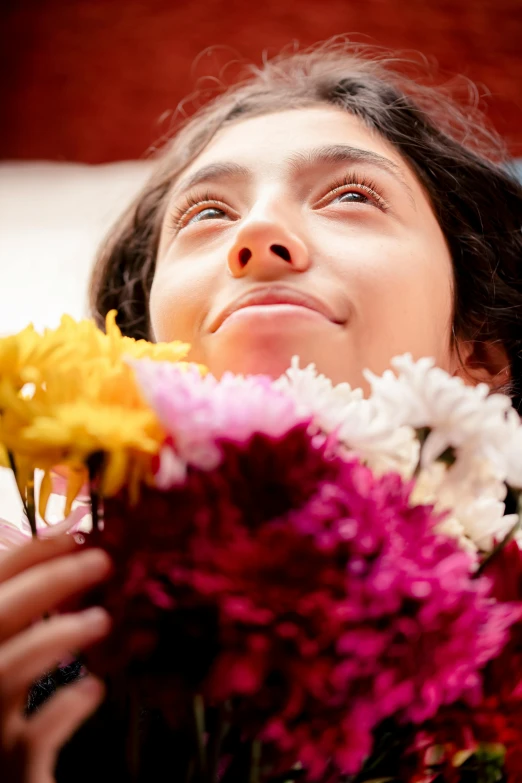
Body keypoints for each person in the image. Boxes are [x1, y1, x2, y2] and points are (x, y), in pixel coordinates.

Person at [1, 40, 522, 782]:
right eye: (207, 213)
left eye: (351, 196)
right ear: (140, 346)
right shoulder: (38, 644)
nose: (256, 237)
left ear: (484, 354)